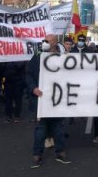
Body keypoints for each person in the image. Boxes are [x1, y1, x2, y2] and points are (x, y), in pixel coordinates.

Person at [27, 35, 71, 168]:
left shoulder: (64, 56)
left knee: (58, 127)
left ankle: (60, 152)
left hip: (58, 98)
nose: (45, 43)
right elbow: (28, 73)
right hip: (41, 98)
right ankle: (37, 155)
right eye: (44, 40)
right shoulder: (38, 55)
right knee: (40, 128)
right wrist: (33, 88)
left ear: (55, 43)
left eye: (48, 41)